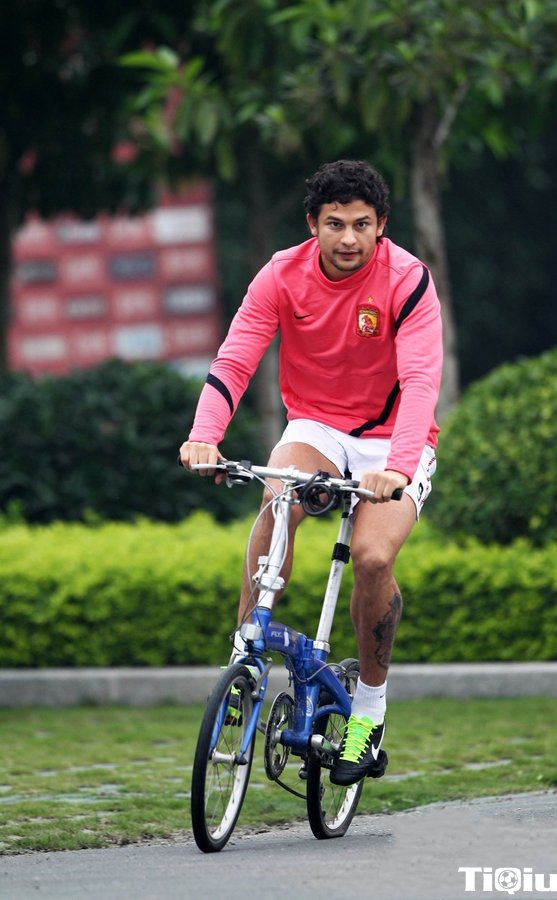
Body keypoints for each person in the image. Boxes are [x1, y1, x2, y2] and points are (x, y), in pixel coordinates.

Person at [180, 159, 443, 786]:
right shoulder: (281, 274)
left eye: (361, 225)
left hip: (393, 441)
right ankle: (246, 660)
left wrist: (396, 469)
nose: (348, 238)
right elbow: (235, 359)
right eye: (335, 224)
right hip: (317, 428)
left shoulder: (407, 280)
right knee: (277, 501)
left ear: (382, 225)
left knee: (373, 559)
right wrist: (204, 435)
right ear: (312, 225)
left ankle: (369, 712)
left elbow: (421, 382)